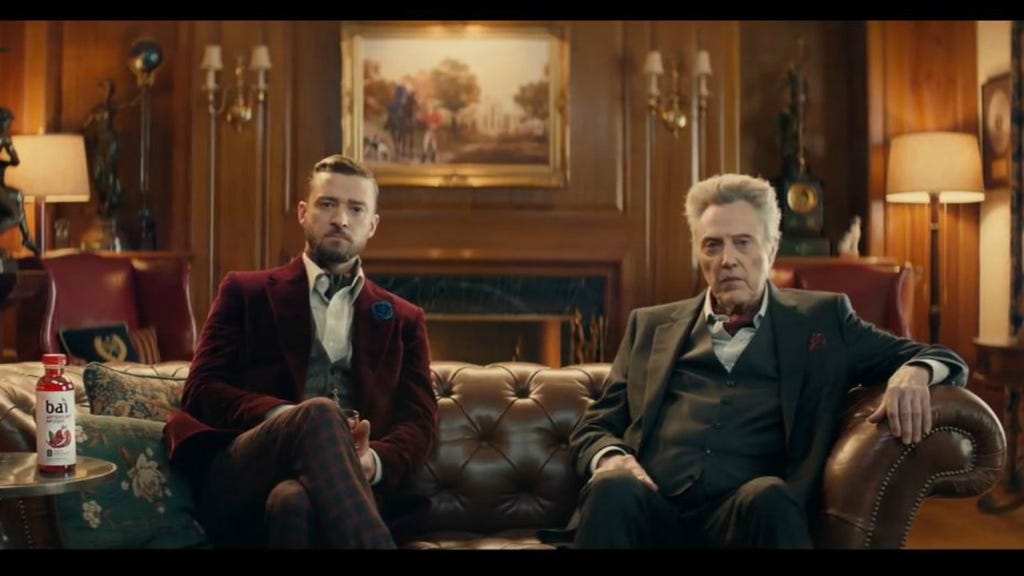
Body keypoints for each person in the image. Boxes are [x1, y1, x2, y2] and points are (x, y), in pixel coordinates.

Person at [564, 173, 967, 549]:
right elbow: (597, 423)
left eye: (743, 242)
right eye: (712, 245)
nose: (727, 259)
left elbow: (938, 355)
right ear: (698, 254)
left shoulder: (824, 321)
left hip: (747, 517)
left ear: (771, 248)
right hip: (652, 512)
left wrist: (915, 372)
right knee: (611, 488)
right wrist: (611, 458)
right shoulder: (650, 326)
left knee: (770, 495)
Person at [163, 154, 438, 548]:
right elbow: (201, 390)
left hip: (345, 485)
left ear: (372, 225)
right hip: (248, 466)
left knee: (292, 502)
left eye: (355, 209)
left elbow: (419, 421)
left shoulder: (404, 319)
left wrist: (371, 462)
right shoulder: (245, 292)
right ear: (304, 213)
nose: (340, 219)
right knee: (319, 413)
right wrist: (290, 420)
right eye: (327, 204)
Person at [82, 79, 132, 219]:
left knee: (109, 171)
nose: (103, 93)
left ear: (110, 93)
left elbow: (128, 104)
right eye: (102, 89)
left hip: (110, 142)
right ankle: (102, 200)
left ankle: (109, 202)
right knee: (97, 173)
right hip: (99, 142)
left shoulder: (113, 106)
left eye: (106, 90)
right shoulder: (95, 110)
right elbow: (85, 125)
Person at [0, 107, 39, 255]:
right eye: (8, 124)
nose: (9, 127)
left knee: (18, 195)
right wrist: (8, 162)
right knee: (16, 215)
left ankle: (27, 237)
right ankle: (27, 238)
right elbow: (16, 160)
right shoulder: (4, 139)